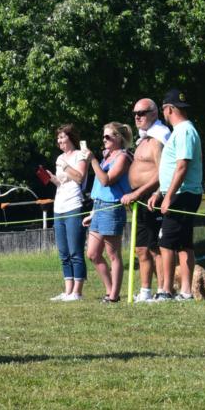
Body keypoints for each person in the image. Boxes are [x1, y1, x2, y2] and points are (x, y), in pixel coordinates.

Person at [148, 89, 203, 301]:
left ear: (169, 109)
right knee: (183, 243)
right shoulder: (182, 131)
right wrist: (159, 193)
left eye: (164, 110)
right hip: (180, 192)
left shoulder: (184, 131)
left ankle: (165, 291)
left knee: (166, 242)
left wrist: (168, 196)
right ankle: (186, 292)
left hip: (183, 194)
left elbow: (181, 166)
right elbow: (172, 169)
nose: (164, 114)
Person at [119, 99, 171, 302]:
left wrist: (141, 192)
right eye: (135, 113)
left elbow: (162, 172)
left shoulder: (160, 137)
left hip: (151, 198)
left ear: (154, 113)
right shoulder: (144, 139)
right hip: (139, 199)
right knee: (141, 248)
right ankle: (145, 291)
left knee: (155, 247)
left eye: (141, 112)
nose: (137, 117)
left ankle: (162, 290)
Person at [81, 122, 133, 303]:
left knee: (113, 255)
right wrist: (93, 213)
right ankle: (110, 291)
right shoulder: (107, 157)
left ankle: (113, 296)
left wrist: (93, 160)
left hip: (112, 208)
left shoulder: (123, 157)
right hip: (99, 207)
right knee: (93, 254)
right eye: (103, 136)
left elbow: (106, 181)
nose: (104, 139)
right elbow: (98, 189)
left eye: (108, 136)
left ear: (119, 138)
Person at [47, 124, 88, 302]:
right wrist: (52, 179)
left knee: (75, 251)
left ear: (71, 138)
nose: (60, 141)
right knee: (63, 252)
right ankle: (67, 290)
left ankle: (77, 292)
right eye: (58, 138)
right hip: (59, 206)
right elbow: (63, 183)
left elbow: (79, 178)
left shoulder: (80, 155)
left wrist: (64, 167)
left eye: (63, 137)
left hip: (74, 204)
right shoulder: (59, 157)